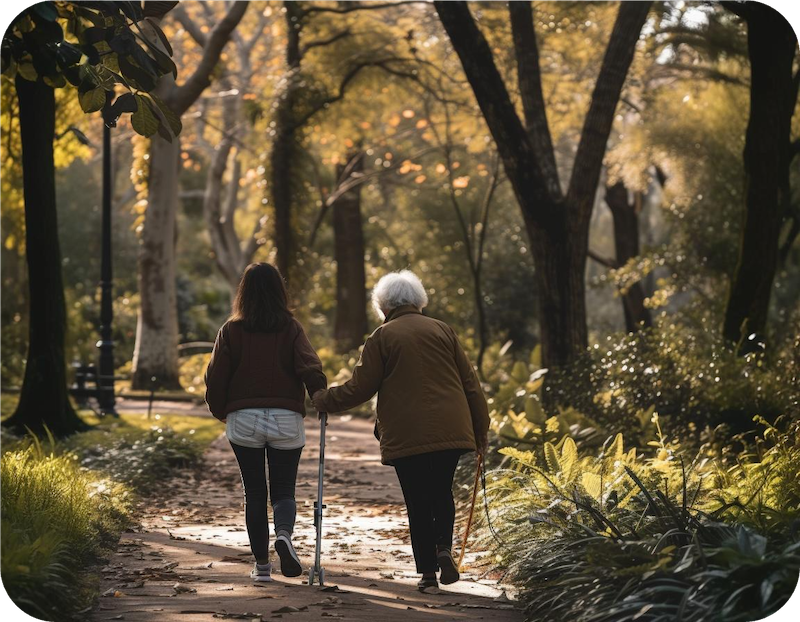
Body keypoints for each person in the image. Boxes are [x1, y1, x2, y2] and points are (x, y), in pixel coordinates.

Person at [312, 270, 489, 593]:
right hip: (452, 427)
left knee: (417, 500)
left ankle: (427, 574)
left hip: (407, 433)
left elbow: (360, 387)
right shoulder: (443, 331)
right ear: (418, 300)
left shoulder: (383, 337)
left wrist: (325, 400)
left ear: (383, 305)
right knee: (441, 492)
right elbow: (471, 386)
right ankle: (443, 549)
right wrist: (481, 433)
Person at [205, 263, 327, 583]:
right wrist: (320, 395)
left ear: (243, 292)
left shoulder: (231, 330)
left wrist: (221, 410)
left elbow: (215, 377)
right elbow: (309, 367)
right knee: (284, 490)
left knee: (255, 493)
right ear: (279, 292)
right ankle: (284, 534)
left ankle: (262, 567)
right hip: (286, 417)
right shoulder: (290, 328)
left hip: (243, 419)